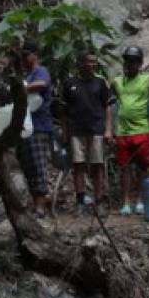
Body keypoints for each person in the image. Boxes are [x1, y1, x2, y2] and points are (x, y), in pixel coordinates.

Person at [110, 45, 149, 215]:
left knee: (143, 168)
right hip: (122, 132)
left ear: (139, 63)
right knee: (124, 168)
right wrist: (109, 129)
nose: (129, 64)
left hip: (142, 131)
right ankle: (125, 202)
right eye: (127, 61)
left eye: (133, 61)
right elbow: (107, 105)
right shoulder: (116, 82)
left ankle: (140, 201)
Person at [62, 50, 114, 215]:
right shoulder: (69, 83)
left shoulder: (100, 82)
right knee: (78, 165)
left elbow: (107, 107)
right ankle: (80, 201)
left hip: (96, 129)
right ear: (80, 64)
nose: (92, 65)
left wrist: (108, 129)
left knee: (97, 165)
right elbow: (64, 110)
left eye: (94, 62)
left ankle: (99, 201)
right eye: (88, 61)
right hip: (76, 130)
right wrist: (65, 131)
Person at [19, 41, 55, 218]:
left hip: (40, 127)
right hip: (27, 127)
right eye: (22, 56)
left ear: (35, 55)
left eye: (26, 55)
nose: (24, 59)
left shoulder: (40, 71)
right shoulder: (27, 75)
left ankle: (41, 206)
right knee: (29, 166)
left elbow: (43, 83)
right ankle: (37, 203)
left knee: (38, 165)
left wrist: (22, 88)